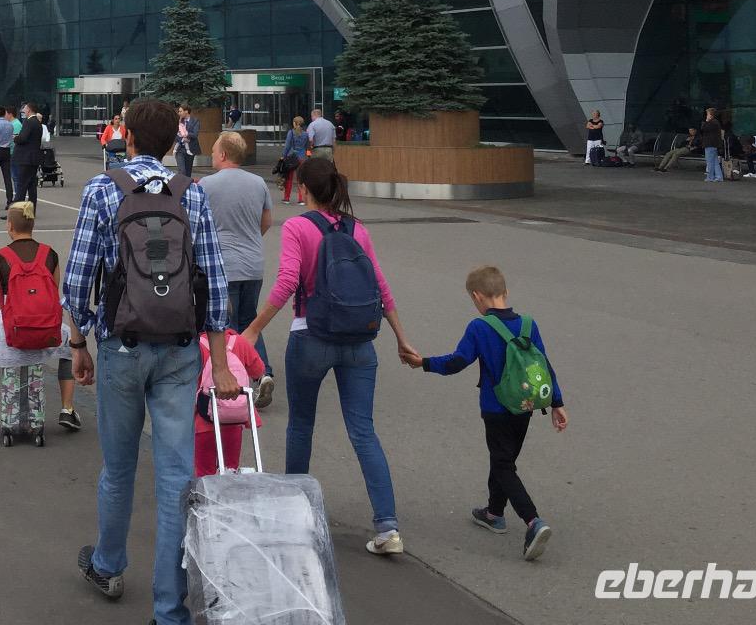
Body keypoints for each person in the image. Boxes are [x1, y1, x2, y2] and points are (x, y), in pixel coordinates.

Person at [64, 98, 238, 624]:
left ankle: (109, 564)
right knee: (175, 478)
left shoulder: (102, 189)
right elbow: (213, 280)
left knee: (118, 468)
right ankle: (169, 611)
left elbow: (76, 281)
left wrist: (80, 341)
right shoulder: (193, 194)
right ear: (173, 143)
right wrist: (224, 361)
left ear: (129, 139)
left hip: (123, 345)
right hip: (182, 350)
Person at [240, 154, 417, 557]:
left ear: (303, 189)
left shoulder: (299, 226)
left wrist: (253, 330)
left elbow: (287, 282)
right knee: (363, 431)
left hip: (311, 337)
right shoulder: (358, 229)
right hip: (360, 342)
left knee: (301, 425)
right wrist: (401, 339)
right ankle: (387, 527)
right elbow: (382, 287)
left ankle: (291, 513)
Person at [402, 264, 567, 562]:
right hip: (526, 406)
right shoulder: (529, 324)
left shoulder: (479, 327)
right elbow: (544, 364)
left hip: (495, 407)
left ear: (477, 297)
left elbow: (457, 362)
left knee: (503, 464)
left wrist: (422, 363)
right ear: (505, 292)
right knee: (503, 458)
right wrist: (556, 402)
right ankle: (494, 513)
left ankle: (533, 522)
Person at [0, 201, 82, 433]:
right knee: (71, 347)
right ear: (32, 225)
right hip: (47, 327)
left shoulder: (0, 257)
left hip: (11, 327)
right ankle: (67, 409)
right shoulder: (49, 254)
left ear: (9, 226)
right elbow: (54, 292)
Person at [203, 131, 276, 407]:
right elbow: (267, 220)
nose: (211, 154)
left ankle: (235, 383)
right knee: (250, 321)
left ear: (223, 154)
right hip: (253, 263)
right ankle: (263, 373)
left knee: (226, 328)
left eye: (213, 150)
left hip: (224, 265)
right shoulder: (258, 183)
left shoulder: (207, 185)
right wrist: (250, 239)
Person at [193, 327, 267, 477]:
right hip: (234, 420)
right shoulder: (240, 342)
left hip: (205, 421)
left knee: (204, 472)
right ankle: (228, 498)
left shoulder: (197, 345)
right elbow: (258, 370)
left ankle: (207, 498)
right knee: (230, 469)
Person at [11, 102, 43, 210]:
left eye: (24, 109)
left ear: (29, 110)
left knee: (21, 186)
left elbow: (23, 138)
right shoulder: (37, 123)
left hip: (26, 159)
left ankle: (16, 212)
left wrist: (15, 137)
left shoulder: (29, 122)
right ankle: (31, 211)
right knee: (31, 186)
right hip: (33, 159)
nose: (23, 111)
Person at [279, 115, 309, 203]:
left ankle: (287, 198)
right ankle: (301, 199)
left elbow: (287, 146)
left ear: (295, 123)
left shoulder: (291, 133)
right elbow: (307, 147)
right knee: (300, 179)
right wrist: (307, 157)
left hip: (291, 158)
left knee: (289, 178)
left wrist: (283, 156)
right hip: (301, 157)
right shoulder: (306, 134)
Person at [174, 104, 200, 178]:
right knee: (182, 171)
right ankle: (180, 188)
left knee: (188, 173)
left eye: (180, 111)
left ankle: (186, 188)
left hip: (191, 149)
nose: (179, 113)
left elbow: (195, 134)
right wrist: (182, 139)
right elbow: (174, 134)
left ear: (186, 111)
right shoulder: (178, 121)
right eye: (178, 111)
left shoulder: (195, 121)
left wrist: (185, 133)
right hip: (180, 149)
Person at [700, 107, 724, 183]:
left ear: (711, 115)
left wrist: (706, 121)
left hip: (709, 144)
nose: (706, 116)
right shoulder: (716, 122)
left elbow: (703, 128)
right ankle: (719, 177)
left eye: (707, 114)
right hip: (713, 144)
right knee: (715, 161)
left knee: (710, 161)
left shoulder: (712, 122)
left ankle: (710, 177)